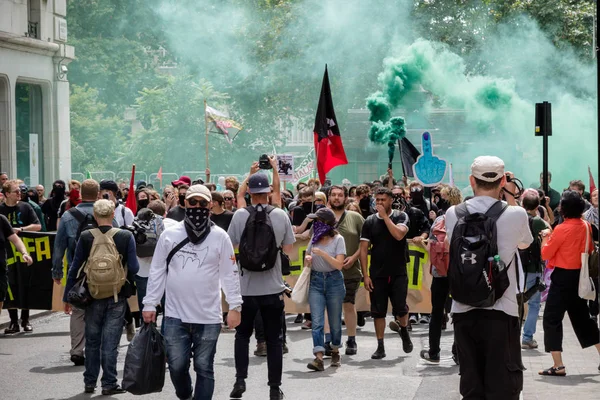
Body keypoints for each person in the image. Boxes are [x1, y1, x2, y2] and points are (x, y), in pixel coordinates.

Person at [445, 156, 532, 400]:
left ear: (471, 181)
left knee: (472, 384)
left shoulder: (453, 213)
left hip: (463, 308)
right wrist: (512, 198)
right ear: (503, 180)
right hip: (501, 309)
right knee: (502, 386)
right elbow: (525, 244)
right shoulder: (516, 214)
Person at [142, 185, 241, 400]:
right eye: (193, 202)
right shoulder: (170, 235)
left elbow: (229, 274)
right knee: (177, 366)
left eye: (203, 203)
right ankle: (185, 395)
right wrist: (150, 303)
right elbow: (158, 270)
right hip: (175, 316)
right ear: (185, 203)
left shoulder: (220, 237)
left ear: (210, 205)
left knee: (204, 367)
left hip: (208, 316)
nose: (197, 206)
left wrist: (235, 306)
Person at [227, 172, 295, 400]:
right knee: (275, 340)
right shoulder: (280, 215)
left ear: (249, 193)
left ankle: (240, 380)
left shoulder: (238, 216)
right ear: (267, 193)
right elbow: (288, 250)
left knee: (242, 336)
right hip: (273, 288)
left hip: (246, 289)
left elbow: (233, 246)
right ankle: (274, 388)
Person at [63, 199, 139, 395]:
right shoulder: (125, 235)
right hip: (117, 296)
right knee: (111, 342)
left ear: (95, 217)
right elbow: (136, 267)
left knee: (93, 340)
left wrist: (67, 297)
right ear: (113, 214)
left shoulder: (86, 236)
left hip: (92, 295)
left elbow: (75, 268)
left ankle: (89, 382)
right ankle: (109, 383)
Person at [539, 190, 600, 376]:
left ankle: (558, 365)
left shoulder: (561, 229)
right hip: (580, 278)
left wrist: (545, 238)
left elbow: (545, 254)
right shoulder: (586, 226)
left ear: (564, 208)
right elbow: (589, 249)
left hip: (561, 279)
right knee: (583, 320)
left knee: (551, 319)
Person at [52, 179, 101, 365]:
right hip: (103, 273)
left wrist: (57, 272)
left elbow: (59, 247)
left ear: (80, 193)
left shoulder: (68, 216)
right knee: (99, 311)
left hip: (77, 272)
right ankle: (95, 348)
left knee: (78, 311)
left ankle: (77, 350)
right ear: (98, 194)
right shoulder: (106, 212)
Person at [360, 187, 413, 359]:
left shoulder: (401, 216)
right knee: (378, 311)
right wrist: (366, 275)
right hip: (377, 272)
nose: (380, 203)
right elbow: (363, 249)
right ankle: (380, 346)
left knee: (400, 308)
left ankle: (404, 330)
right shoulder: (369, 221)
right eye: (378, 200)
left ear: (390, 200)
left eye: (383, 199)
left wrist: (385, 217)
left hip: (398, 271)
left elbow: (399, 235)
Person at [420, 185, 463, 363]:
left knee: (436, 312)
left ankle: (434, 352)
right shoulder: (464, 217)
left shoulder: (438, 221)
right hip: (460, 272)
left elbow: (431, 243)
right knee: (459, 313)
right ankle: (458, 353)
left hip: (439, 273)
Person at [302, 208, 346, 371]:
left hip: (334, 281)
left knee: (335, 322)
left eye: (318, 221)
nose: (316, 224)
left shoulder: (338, 239)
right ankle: (318, 357)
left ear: (327, 223)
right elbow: (308, 258)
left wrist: (322, 254)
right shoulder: (314, 237)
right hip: (316, 281)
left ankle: (334, 349)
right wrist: (308, 259)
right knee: (318, 321)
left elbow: (339, 265)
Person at [325, 185, 364, 355]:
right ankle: (329, 340)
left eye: (340, 195)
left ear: (346, 198)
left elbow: (365, 243)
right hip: (327, 271)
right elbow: (313, 240)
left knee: (348, 305)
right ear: (329, 198)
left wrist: (354, 257)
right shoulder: (323, 217)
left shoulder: (355, 218)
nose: (336, 198)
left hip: (350, 270)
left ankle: (351, 339)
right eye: (333, 195)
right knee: (329, 307)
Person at [0, 179, 42, 334]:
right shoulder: (1, 211)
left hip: (24, 251)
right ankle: (13, 321)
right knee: (10, 287)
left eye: (20, 191)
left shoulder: (26, 207)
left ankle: (25, 319)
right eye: (16, 191)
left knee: (25, 285)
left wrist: (22, 228)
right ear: (6, 194)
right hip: (7, 254)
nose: (20, 194)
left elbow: (38, 226)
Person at [519, 189, 551, 350]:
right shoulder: (537, 220)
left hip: (517, 265)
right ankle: (527, 337)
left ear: (523, 204)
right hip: (533, 266)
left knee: (514, 300)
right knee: (534, 303)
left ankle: (511, 335)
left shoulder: (517, 218)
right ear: (537, 206)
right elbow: (550, 230)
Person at [0, 213, 34, 314]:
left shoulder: (1, 219)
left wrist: (24, 253)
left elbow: (16, 240)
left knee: (0, 299)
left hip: (0, 271)